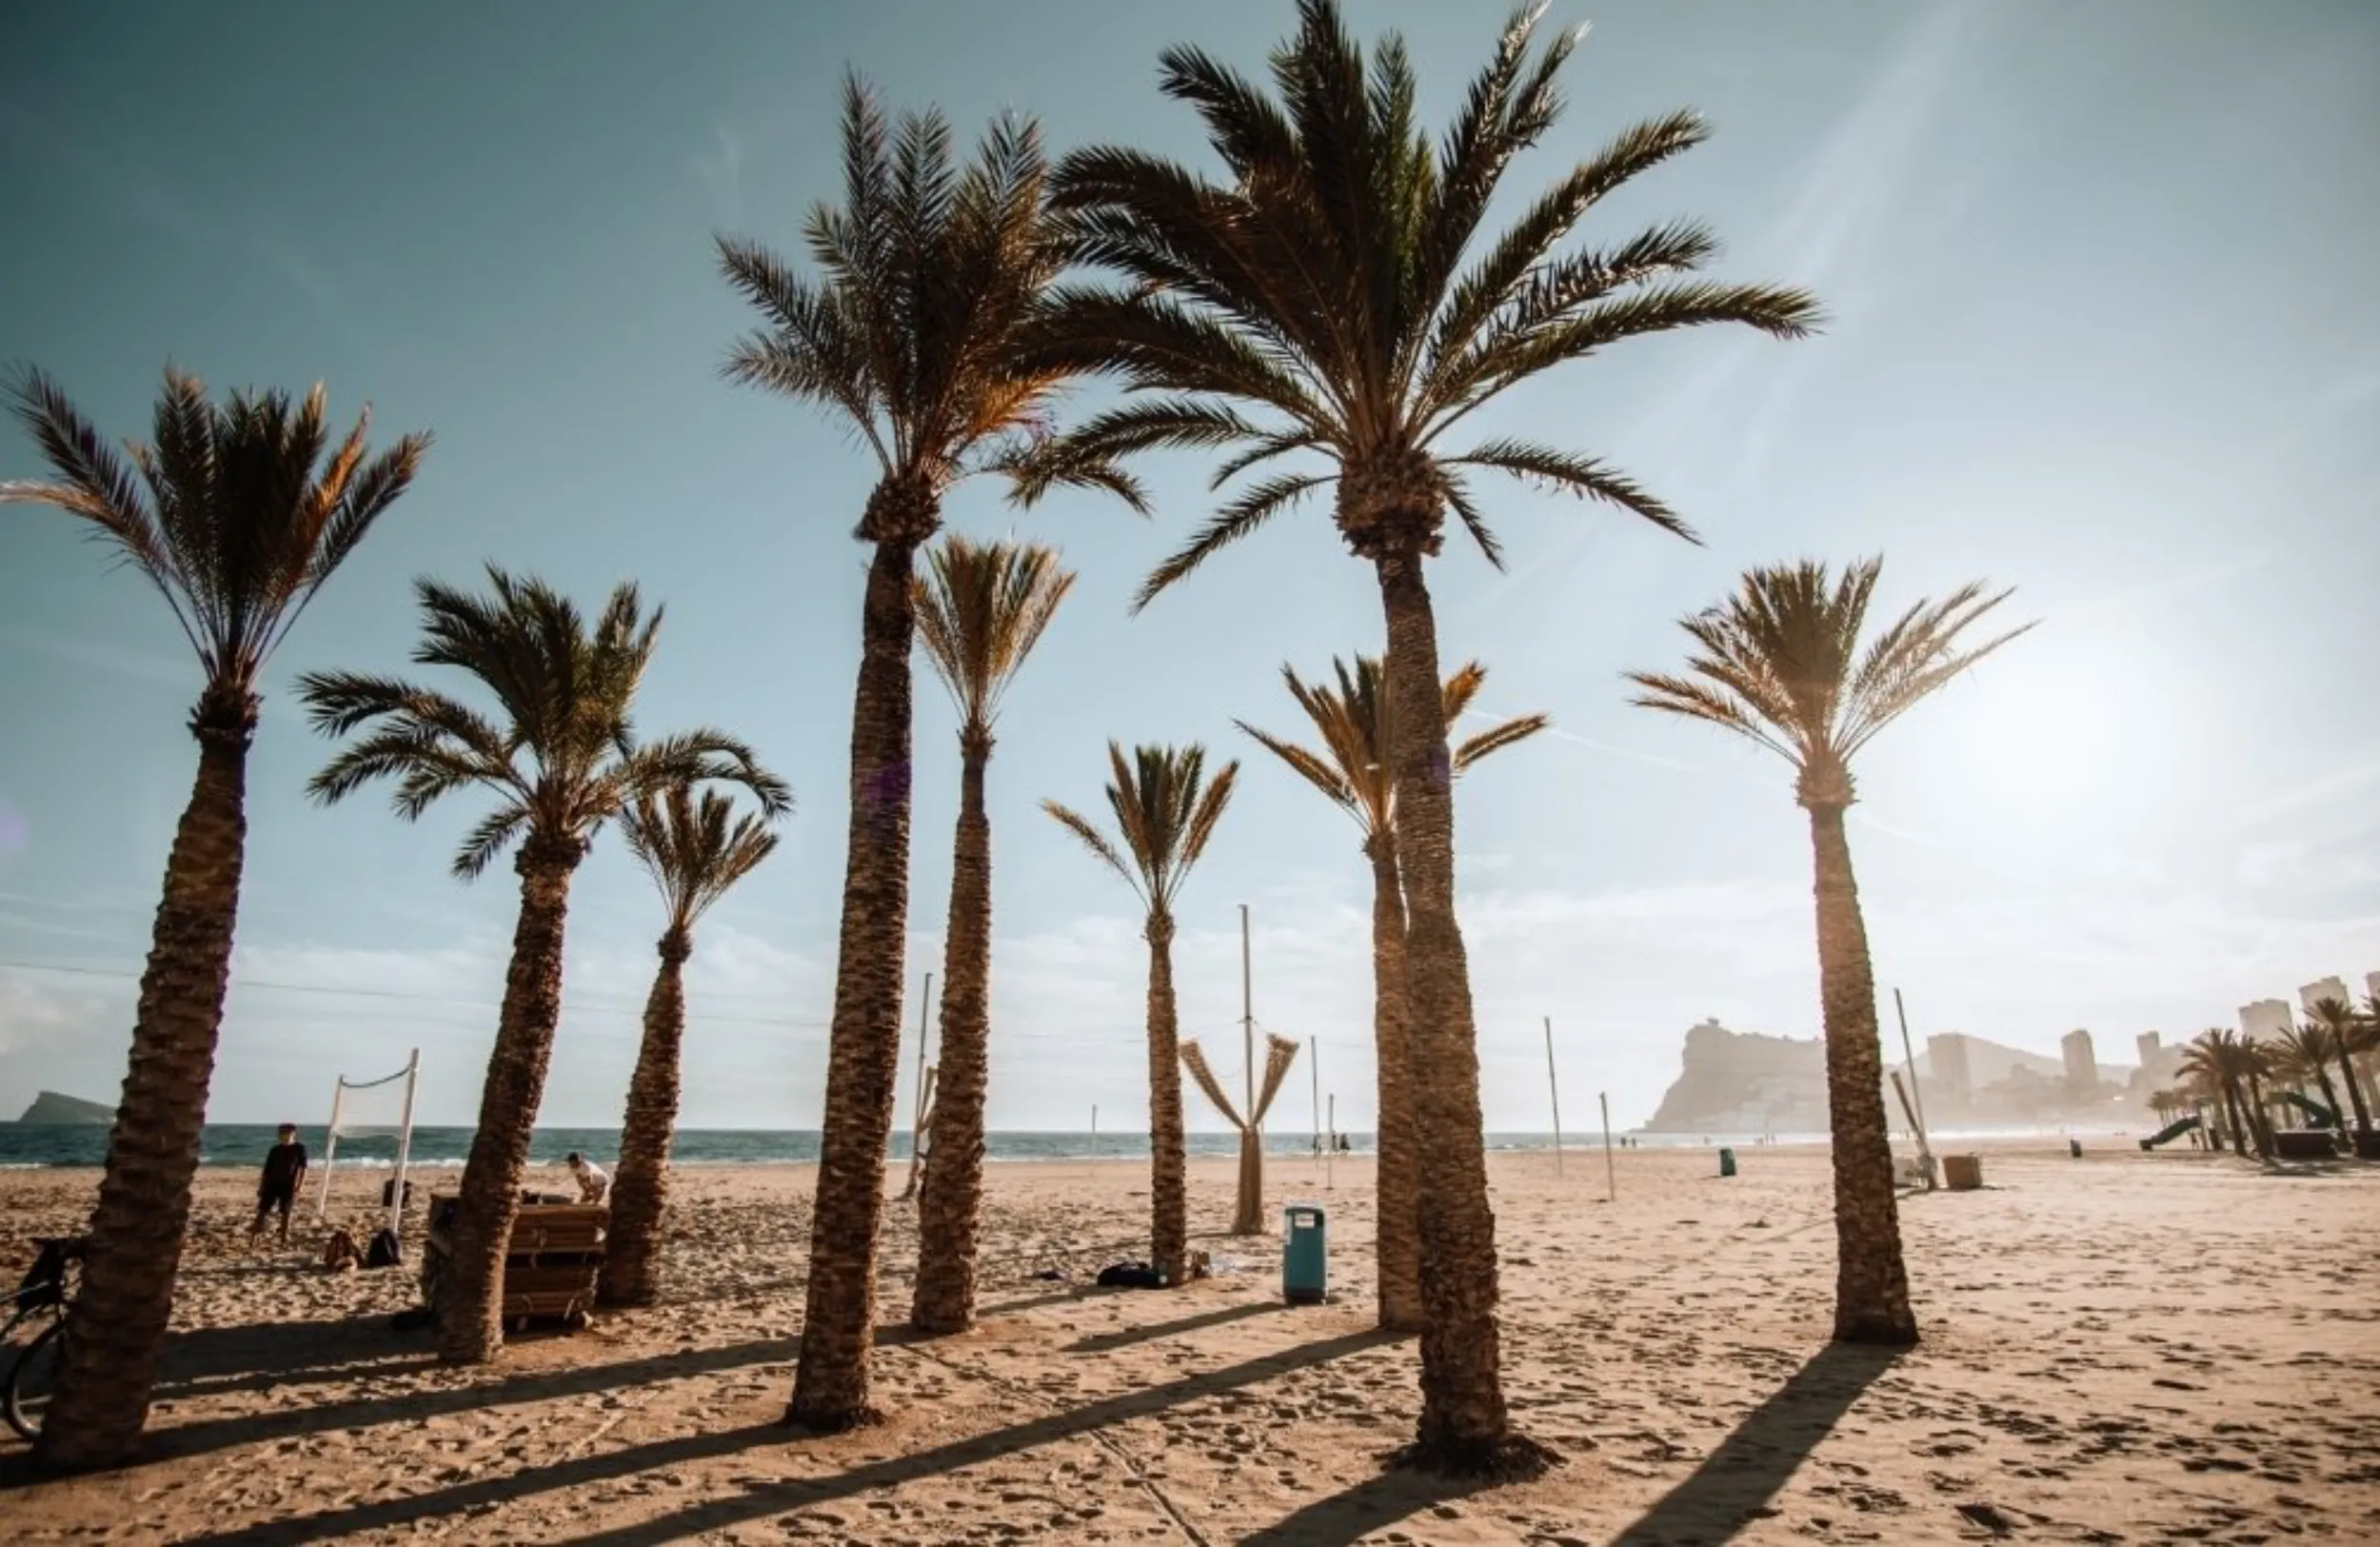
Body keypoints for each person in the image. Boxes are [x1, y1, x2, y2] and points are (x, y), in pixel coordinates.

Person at [251, 1123, 308, 1244]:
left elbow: (303, 1169)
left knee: (286, 1212)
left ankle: (283, 1237)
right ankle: (254, 1236)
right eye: (281, 1133)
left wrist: (299, 1186)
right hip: (272, 1183)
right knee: (262, 1210)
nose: (283, 1136)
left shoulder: (299, 1148)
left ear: (293, 1134)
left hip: (289, 1185)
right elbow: (266, 1170)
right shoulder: (275, 1150)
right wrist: (262, 1187)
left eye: (285, 1133)